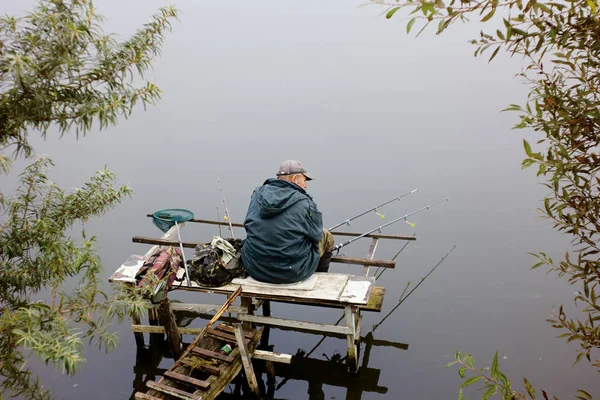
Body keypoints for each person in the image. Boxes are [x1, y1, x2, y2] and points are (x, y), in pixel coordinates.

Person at [241, 160, 334, 284]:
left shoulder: (257, 195)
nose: (305, 186)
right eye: (304, 181)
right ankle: (322, 279)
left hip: (255, 269)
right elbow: (316, 235)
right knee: (326, 235)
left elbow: (248, 225)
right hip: (292, 273)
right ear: (295, 179)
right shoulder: (304, 202)